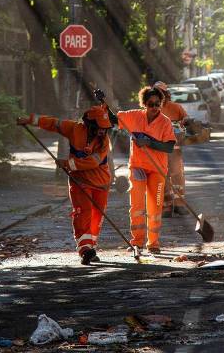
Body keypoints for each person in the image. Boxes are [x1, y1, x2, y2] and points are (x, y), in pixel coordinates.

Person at [16, 106, 112, 265]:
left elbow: (93, 162)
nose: (103, 130)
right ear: (89, 124)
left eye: (105, 127)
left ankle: (91, 246)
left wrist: (67, 163)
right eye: (99, 127)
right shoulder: (74, 129)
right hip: (79, 181)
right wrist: (31, 120)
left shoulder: (104, 141)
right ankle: (85, 250)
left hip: (101, 183)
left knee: (96, 216)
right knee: (83, 213)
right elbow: (55, 123)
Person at [107, 85, 176, 254]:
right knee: (137, 205)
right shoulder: (134, 116)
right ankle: (137, 242)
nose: (154, 108)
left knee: (155, 207)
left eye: (157, 104)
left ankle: (153, 243)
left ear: (161, 104)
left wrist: (149, 143)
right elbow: (114, 119)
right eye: (151, 104)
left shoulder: (165, 122)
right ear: (144, 104)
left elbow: (169, 147)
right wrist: (103, 104)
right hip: (138, 166)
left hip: (157, 170)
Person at [152, 81, 189, 217]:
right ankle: (167, 207)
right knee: (163, 177)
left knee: (177, 175)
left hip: (174, 149)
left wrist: (185, 121)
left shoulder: (175, 107)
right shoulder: (151, 109)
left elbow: (186, 118)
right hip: (159, 149)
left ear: (166, 94)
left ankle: (179, 205)